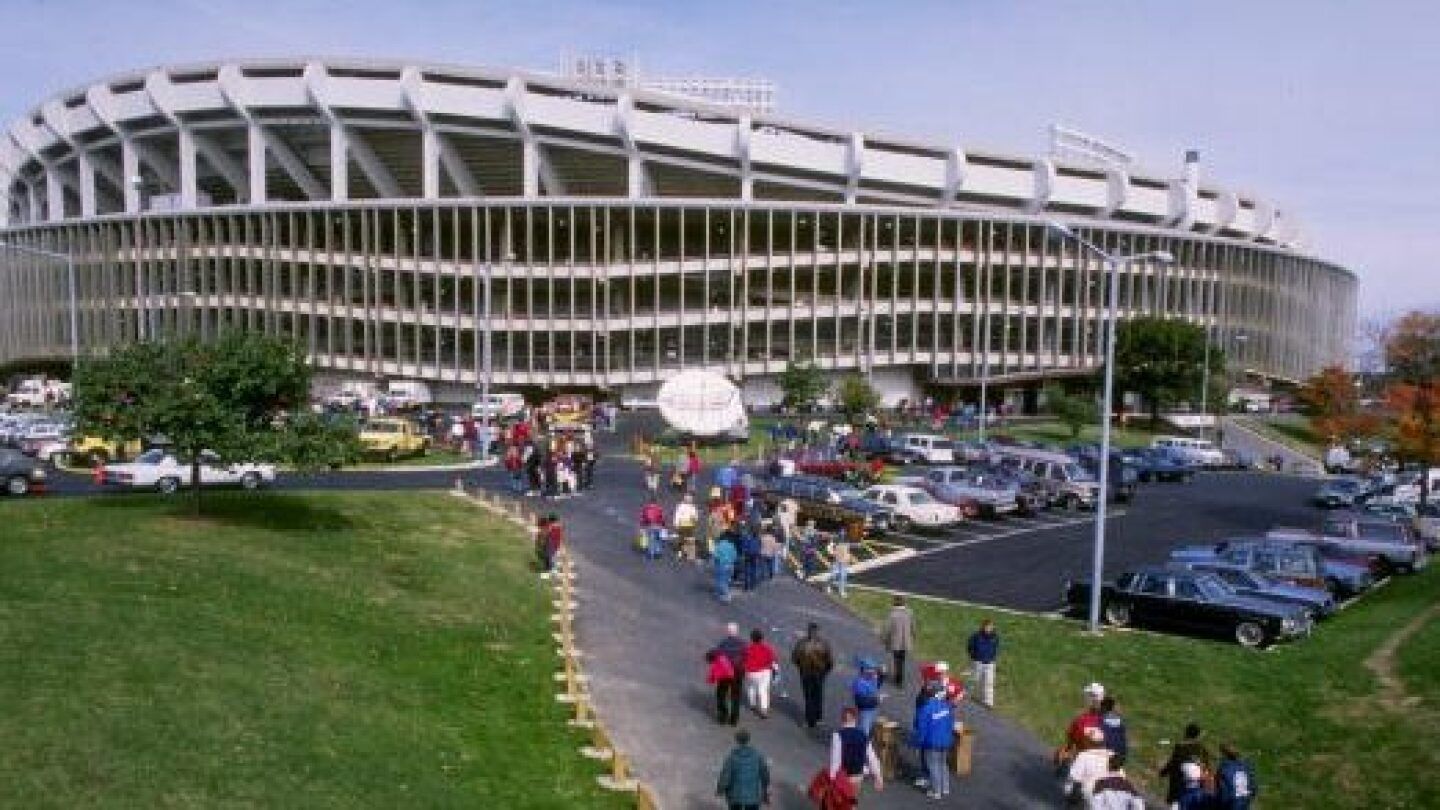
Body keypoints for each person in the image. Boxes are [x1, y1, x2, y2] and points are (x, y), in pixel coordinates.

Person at [910, 683, 956, 800]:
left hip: (932, 742)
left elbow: (922, 729)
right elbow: (950, 724)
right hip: (945, 740)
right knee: (943, 763)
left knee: (933, 765)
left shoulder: (926, 709)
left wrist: (918, 743)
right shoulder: (947, 706)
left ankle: (936, 791)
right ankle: (945, 788)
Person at [829, 707, 885, 796]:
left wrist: (831, 778)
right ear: (855, 719)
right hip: (858, 775)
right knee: (853, 798)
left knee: (841, 801)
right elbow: (872, 758)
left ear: (842, 720)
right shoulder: (863, 735)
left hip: (843, 775)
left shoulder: (838, 736)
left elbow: (836, 759)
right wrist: (878, 776)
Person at [791, 622, 835, 729]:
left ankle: (809, 720)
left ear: (808, 631)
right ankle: (818, 718)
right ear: (817, 631)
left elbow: (795, 658)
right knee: (818, 695)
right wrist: (825, 671)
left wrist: (801, 669)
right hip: (820, 673)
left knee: (808, 697)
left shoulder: (801, 643)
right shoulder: (824, 644)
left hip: (805, 673)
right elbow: (830, 661)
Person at [1159, 723, 1212, 809]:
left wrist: (1163, 772)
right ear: (1198, 736)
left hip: (1180, 787)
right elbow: (1207, 768)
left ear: (1186, 734)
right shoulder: (1202, 750)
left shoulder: (1180, 748)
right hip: (1197, 789)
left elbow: (1173, 764)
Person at [716, 729, 770, 810]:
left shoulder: (732, 757)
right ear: (748, 739)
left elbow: (725, 776)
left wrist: (720, 789)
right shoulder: (757, 756)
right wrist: (765, 788)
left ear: (737, 740)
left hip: (735, 795)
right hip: (752, 797)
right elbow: (764, 774)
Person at [1064, 727, 1112, 806]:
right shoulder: (1112, 755)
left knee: (1070, 787)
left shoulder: (1084, 755)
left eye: (1086, 739)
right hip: (1109, 794)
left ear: (1089, 742)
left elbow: (1075, 777)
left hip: (1090, 792)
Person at [712, 623, 746, 725]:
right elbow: (746, 657)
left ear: (728, 631)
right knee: (736, 695)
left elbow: (716, 655)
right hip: (738, 672)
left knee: (721, 693)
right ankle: (734, 719)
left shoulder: (723, 643)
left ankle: (723, 716)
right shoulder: (743, 644)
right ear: (737, 631)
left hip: (725, 672)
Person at [742, 629, 778, 719]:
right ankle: (763, 709)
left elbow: (744, 660)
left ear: (752, 638)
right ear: (761, 638)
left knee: (751, 688)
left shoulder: (748, 648)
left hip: (751, 672)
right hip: (765, 671)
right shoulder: (767, 648)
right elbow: (773, 659)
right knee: (763, 690)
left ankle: (753, 704)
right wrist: (775, 670)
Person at [881, 596, 915, 688]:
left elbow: (887, 629)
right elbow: (913, 626)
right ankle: (899, 678)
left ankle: (898, 679)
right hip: (906, 641)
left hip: (896, 641)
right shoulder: (909, 613)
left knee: (897, 660)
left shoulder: (892, 614)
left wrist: (884, 639)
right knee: (902, 660)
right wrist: (913, 636)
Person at [966, 618, 999, 708]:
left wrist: (992, 657)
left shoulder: (995, 637)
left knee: (989, 682)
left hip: (990, 663)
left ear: (993, 627)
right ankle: (967, 694)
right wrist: (974, 656)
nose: (988, 629)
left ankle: (988, 702)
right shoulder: (976, 636)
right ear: (983, 626)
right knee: (974, 679)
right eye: (986, 627)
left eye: (990, 627)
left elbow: (996, 647)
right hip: (978, 661)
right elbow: (970, 646)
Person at [1215, 742, 1258, 810]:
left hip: (1231, 802)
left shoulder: (1224, 769)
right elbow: (1253, 786)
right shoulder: (1245, 766)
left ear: (1223, 754)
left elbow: (1222, 792)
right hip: (1245, 800)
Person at [851, 659, 882, 735]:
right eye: (871, 670)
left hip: (873, 708)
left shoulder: (871, 679)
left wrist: (882, 676)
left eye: (874, 670)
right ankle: (861, 744)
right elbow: (862, 702)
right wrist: (877, 700)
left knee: (870, 727)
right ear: (864, 670)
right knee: (864, 729)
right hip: (865, 711)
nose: (874, 672)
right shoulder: (860, 683)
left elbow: (876, 686)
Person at [706, 650, 737, 725]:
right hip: (731, 679)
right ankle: (732, 718)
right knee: (730, 698)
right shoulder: (723, 658)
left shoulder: (716, 663)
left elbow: (713, 674)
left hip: (724, 680)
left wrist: (710, 680)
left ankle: (723, 717)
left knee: (720, 697)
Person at [712, 531, 738, 603]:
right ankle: (721, 594)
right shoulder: (731, 545)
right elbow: (735, 556)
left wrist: (715, 562)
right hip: (730, 565)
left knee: (721, 581)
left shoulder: (719, 545)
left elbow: (715, 556)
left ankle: (727, 595)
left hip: (721, 565)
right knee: (726, 581)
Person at [673, 493, 700, 562]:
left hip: (682, 525)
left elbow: (677, 515)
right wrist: (695, 523)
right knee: (690, 539)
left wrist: (676, 524)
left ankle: (680, 554)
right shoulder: (692, 507)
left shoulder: (680, 506)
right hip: (690, 526)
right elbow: (695, 517)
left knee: (681, 539)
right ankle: (690, 555)